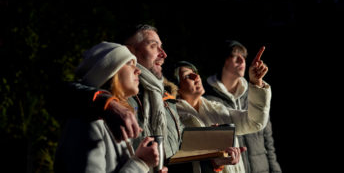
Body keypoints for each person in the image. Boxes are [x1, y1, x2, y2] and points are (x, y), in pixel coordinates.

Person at [66, 24, 244, 172]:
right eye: (153, 46)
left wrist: (212, 161)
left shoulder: (166, 100)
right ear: (129, 51)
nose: (163, 54)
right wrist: (106, 103)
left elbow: (170, 163)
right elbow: (62, 92)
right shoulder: (99, 106)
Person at [54, 42, 162, 173]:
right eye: (129, 63)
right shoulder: (89, 122)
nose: (138, 70)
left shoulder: (115, 119)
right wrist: (141, 163)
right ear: (109, 72)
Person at [170, 61, 271, 173]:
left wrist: (256, 83)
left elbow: (254, 122)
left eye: (195, 73)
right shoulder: (173, 119)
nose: (196, 77)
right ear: (176, 87)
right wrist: (214, 161)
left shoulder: (216, 109)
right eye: (187, 76)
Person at [203, 40, 282, 173]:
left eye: (244, 57)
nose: (242, 60)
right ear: (223, 60)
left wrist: (275, 170)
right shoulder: (208, 101)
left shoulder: (256, 93)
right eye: (235, 56)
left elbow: (268, 141)